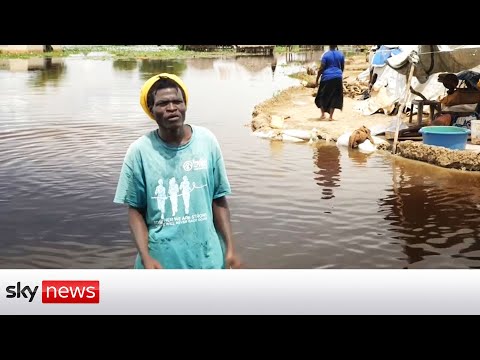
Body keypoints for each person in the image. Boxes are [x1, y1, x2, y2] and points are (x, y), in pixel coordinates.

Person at [114, 73, 241, 269]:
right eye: (163, 103)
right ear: (151, 109)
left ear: (185, 105)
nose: (172, 108)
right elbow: (135, 210)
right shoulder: (139, 151)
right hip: (162, 261)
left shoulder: (207, 141)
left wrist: (230, 248)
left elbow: (218, 198)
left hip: (209, 259)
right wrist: (146, 257)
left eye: (177, 102)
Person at [314, 45, 345, 121]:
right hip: (337, 77)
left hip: (326, 78)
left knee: (321, 96)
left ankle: (322, 115)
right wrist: (338, 74)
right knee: (335, 96)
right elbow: (342, 67)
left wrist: (317, 79)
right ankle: (331, 117)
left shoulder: (326, 55)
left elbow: (321, 68)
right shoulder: (340, 54)